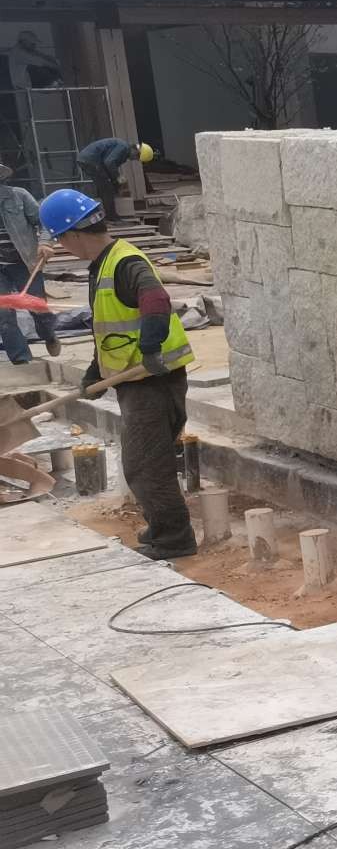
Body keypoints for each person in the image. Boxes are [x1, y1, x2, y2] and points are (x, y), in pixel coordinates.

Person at [39, 188, 195, 558]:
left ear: (73, 234)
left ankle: (174, 539)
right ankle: (162, 527)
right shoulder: (105, 264)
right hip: (136, 380)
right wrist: (95, 373)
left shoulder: (124, 262)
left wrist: (151, 347)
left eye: (61, 240)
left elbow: (156, 299)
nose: (63, 247)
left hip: (152, 379)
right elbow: (111, 331)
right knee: (145, 460)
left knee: (146, 464)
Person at [0, 177, 58, 364]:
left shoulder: (18, 196)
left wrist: (45, 242)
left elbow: (45, 221)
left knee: (38, 309)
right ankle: (22, 361)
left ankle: (49, 335)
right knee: (4, 315)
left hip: (24, 263)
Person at [75, 137, 154, 222]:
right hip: (90, 160)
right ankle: (111, 217)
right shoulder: (123, 148)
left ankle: (105, 214)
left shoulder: (124, 152)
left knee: (106, 185)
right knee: (107, 188)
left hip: (92, 160)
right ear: (136, 151)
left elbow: (109, 166)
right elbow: (109, 162)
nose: (135, 159)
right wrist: (118, 177)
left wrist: (116, 182)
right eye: (137, 157)